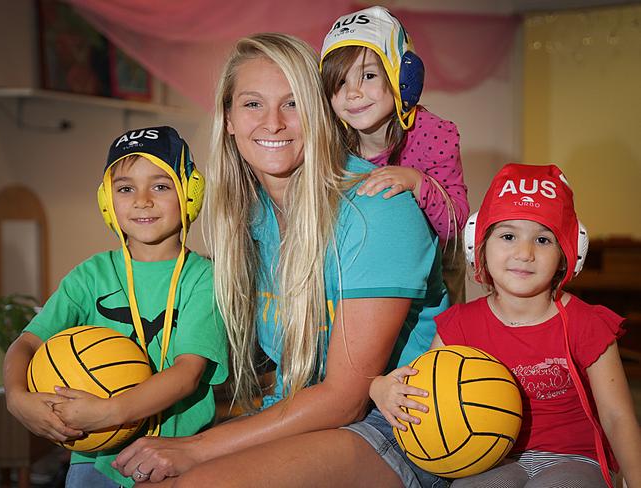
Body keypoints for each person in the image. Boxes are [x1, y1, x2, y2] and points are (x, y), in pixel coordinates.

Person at [110, 33, 449, 488]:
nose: (272, 123)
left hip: (399, 428)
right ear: (228, 119)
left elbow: (345, 400)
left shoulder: (376, 210)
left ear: (320, 114)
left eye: (292, 104)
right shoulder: (251, 218)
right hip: (304, 414)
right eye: (252, 104)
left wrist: (194, 449)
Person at [370, 163, 641, 488]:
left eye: (543, 240)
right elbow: (427, 395)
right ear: (479, 243)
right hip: (488, 458)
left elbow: (617, 417)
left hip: (573, 458)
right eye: (508, 236)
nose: (524, 253)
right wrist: (379, 388)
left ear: (568, 255)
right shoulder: (460, 325)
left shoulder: (588, 324)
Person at [3, 126, 229, 487]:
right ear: (107, 201)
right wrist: (17, 399)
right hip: (95, 458)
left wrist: (109, 411)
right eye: (125, 188)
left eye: (160, 185)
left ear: (190, 193)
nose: (142, 200)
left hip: (174, 457)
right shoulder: (91, 276)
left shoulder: (204, 279)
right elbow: (27, 344)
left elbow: (187, 373)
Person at [320, 6, 469, 304]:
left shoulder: (434, 134)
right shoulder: (335, 144)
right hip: (369, 268)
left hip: (435, 276)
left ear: (403, 76)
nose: (353, 92)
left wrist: (417, 182)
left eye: (369, 75)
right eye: (340, 82)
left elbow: (455, 225)